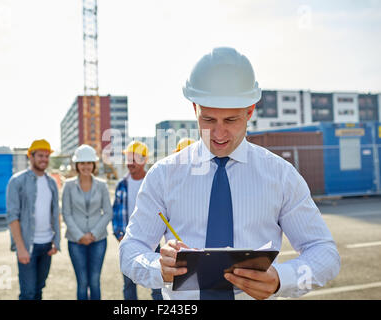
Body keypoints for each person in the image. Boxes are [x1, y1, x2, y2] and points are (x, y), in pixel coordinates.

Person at [119, 47, 340, 300]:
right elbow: (131, 249)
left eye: (231, 120)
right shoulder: (163, 174)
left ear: (250, 111)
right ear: (194, 109)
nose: (219, 134)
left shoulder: (281, 176)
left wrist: (282, 278)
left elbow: (324, 252)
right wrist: (157, 267)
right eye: (209, 120)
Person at [6, 139, 60, 300]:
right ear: (31, 156)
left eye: (46, 156)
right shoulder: (17, 181)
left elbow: (55, 213)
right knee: (28, 292)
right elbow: (12, 217)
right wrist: (21, 248)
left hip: (46, 245)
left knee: (38, 289)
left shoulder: (52, 183)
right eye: (40, 155)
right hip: (27, 246)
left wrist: (56, 241)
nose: (44, 159)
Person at [112, 141, 163, 300]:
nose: (130, 163)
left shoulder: (154, 182)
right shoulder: (122, 184)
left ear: (144, 160)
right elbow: (116, 212)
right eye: (128, 159)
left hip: (153, 241)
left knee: (157, 285)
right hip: (129, 240)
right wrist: (120, 235)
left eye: (133, 159)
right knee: (128, 284)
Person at [62, 144, 113, 300]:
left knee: (95, 281)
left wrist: (93, 234)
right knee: (82, 282)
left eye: (89, 163)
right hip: (75, 241)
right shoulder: (68, 185)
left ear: (94, 164)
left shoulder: (102, 185)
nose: (86, 166)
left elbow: (108, 212)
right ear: (77, 165)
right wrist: (80, 236)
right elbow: (66, 213)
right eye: (82, 163)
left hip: (98, 240)